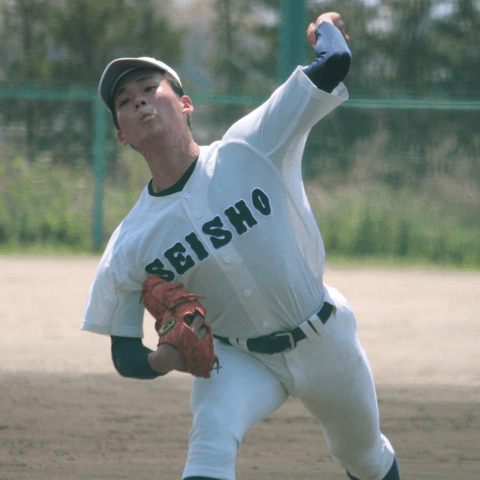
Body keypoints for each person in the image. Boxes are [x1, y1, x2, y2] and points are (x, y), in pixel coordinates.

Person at [82, 11, 401, 480]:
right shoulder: (132, 241)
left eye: (152, 89)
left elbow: (335, 62)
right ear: (122, 136)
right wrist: (160, 359)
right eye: (126, 102)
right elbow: (124, 350)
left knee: (364, 457)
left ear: (185, 103)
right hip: (239, 358)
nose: (142, 103)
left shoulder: (251, 147)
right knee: (210, 437)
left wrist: (323, 25)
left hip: (324, 337)